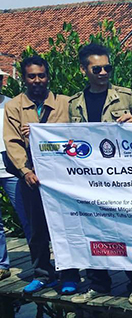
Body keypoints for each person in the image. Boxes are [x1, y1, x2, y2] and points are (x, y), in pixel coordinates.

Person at [68, 43, 132, 306]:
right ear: (84, 70)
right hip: (89, 182)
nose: (103, 72)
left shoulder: (125, 96)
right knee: (94, 230)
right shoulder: (73, 104)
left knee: (127, 231)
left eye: (107, 67)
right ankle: (99, 283)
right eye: (97, 68)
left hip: (122, 180)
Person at [3, 56, 74, 293]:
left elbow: (79, 134)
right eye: (31, 76)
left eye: (41, 75)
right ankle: (43, 274)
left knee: (66, 228)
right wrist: (24, 171)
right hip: (31, 177)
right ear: (24, 78)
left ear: (48, 77)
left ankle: (69, 276)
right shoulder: (13, 106)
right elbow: (12, 143)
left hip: (64, 177)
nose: (37, 80)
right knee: (36, 230)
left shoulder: (66, 103)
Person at [0, 85, 32, 281]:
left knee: (26, 216)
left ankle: (41, 264)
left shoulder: (12, 104)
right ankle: (1, 265)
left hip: (12, 167)